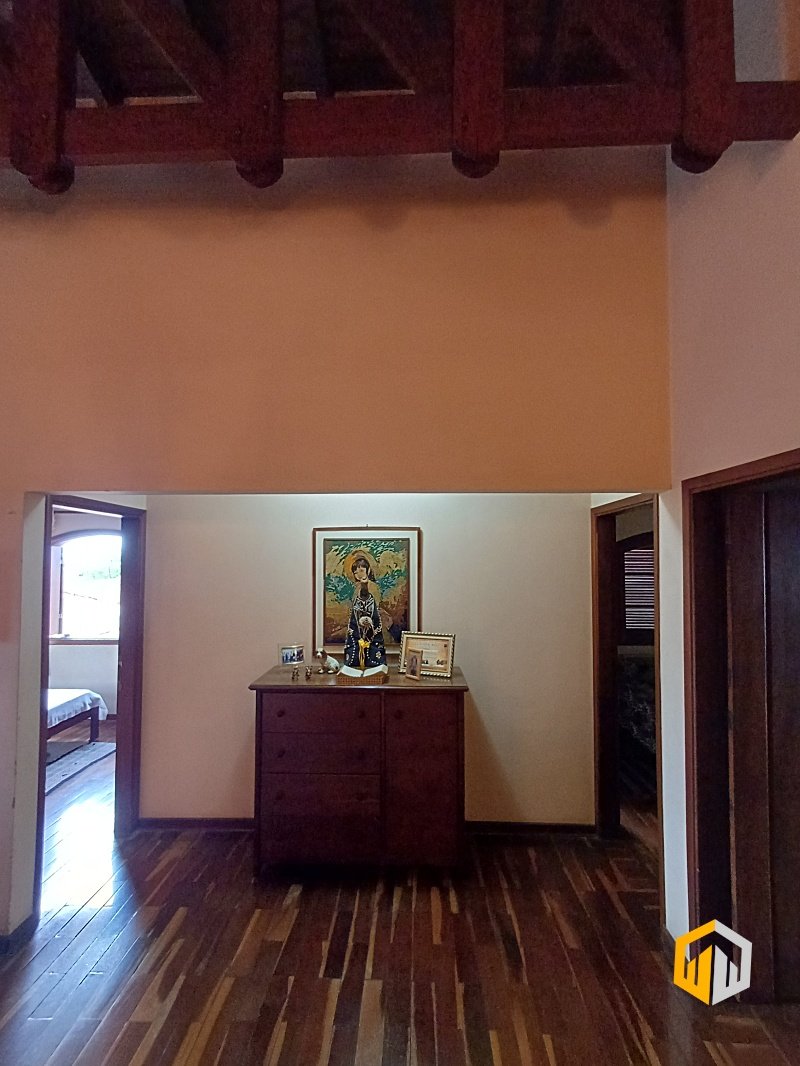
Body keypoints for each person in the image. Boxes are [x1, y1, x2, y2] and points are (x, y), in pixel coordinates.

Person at [343, 554, 386, 671]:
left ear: (368, 570)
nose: (359, 575)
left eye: (361, 570)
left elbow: (374, 604)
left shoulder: (373, 587)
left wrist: (368, 617)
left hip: (372, 621)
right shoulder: (355, 588)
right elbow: (354, 606)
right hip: (358, 624)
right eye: (356, 572)